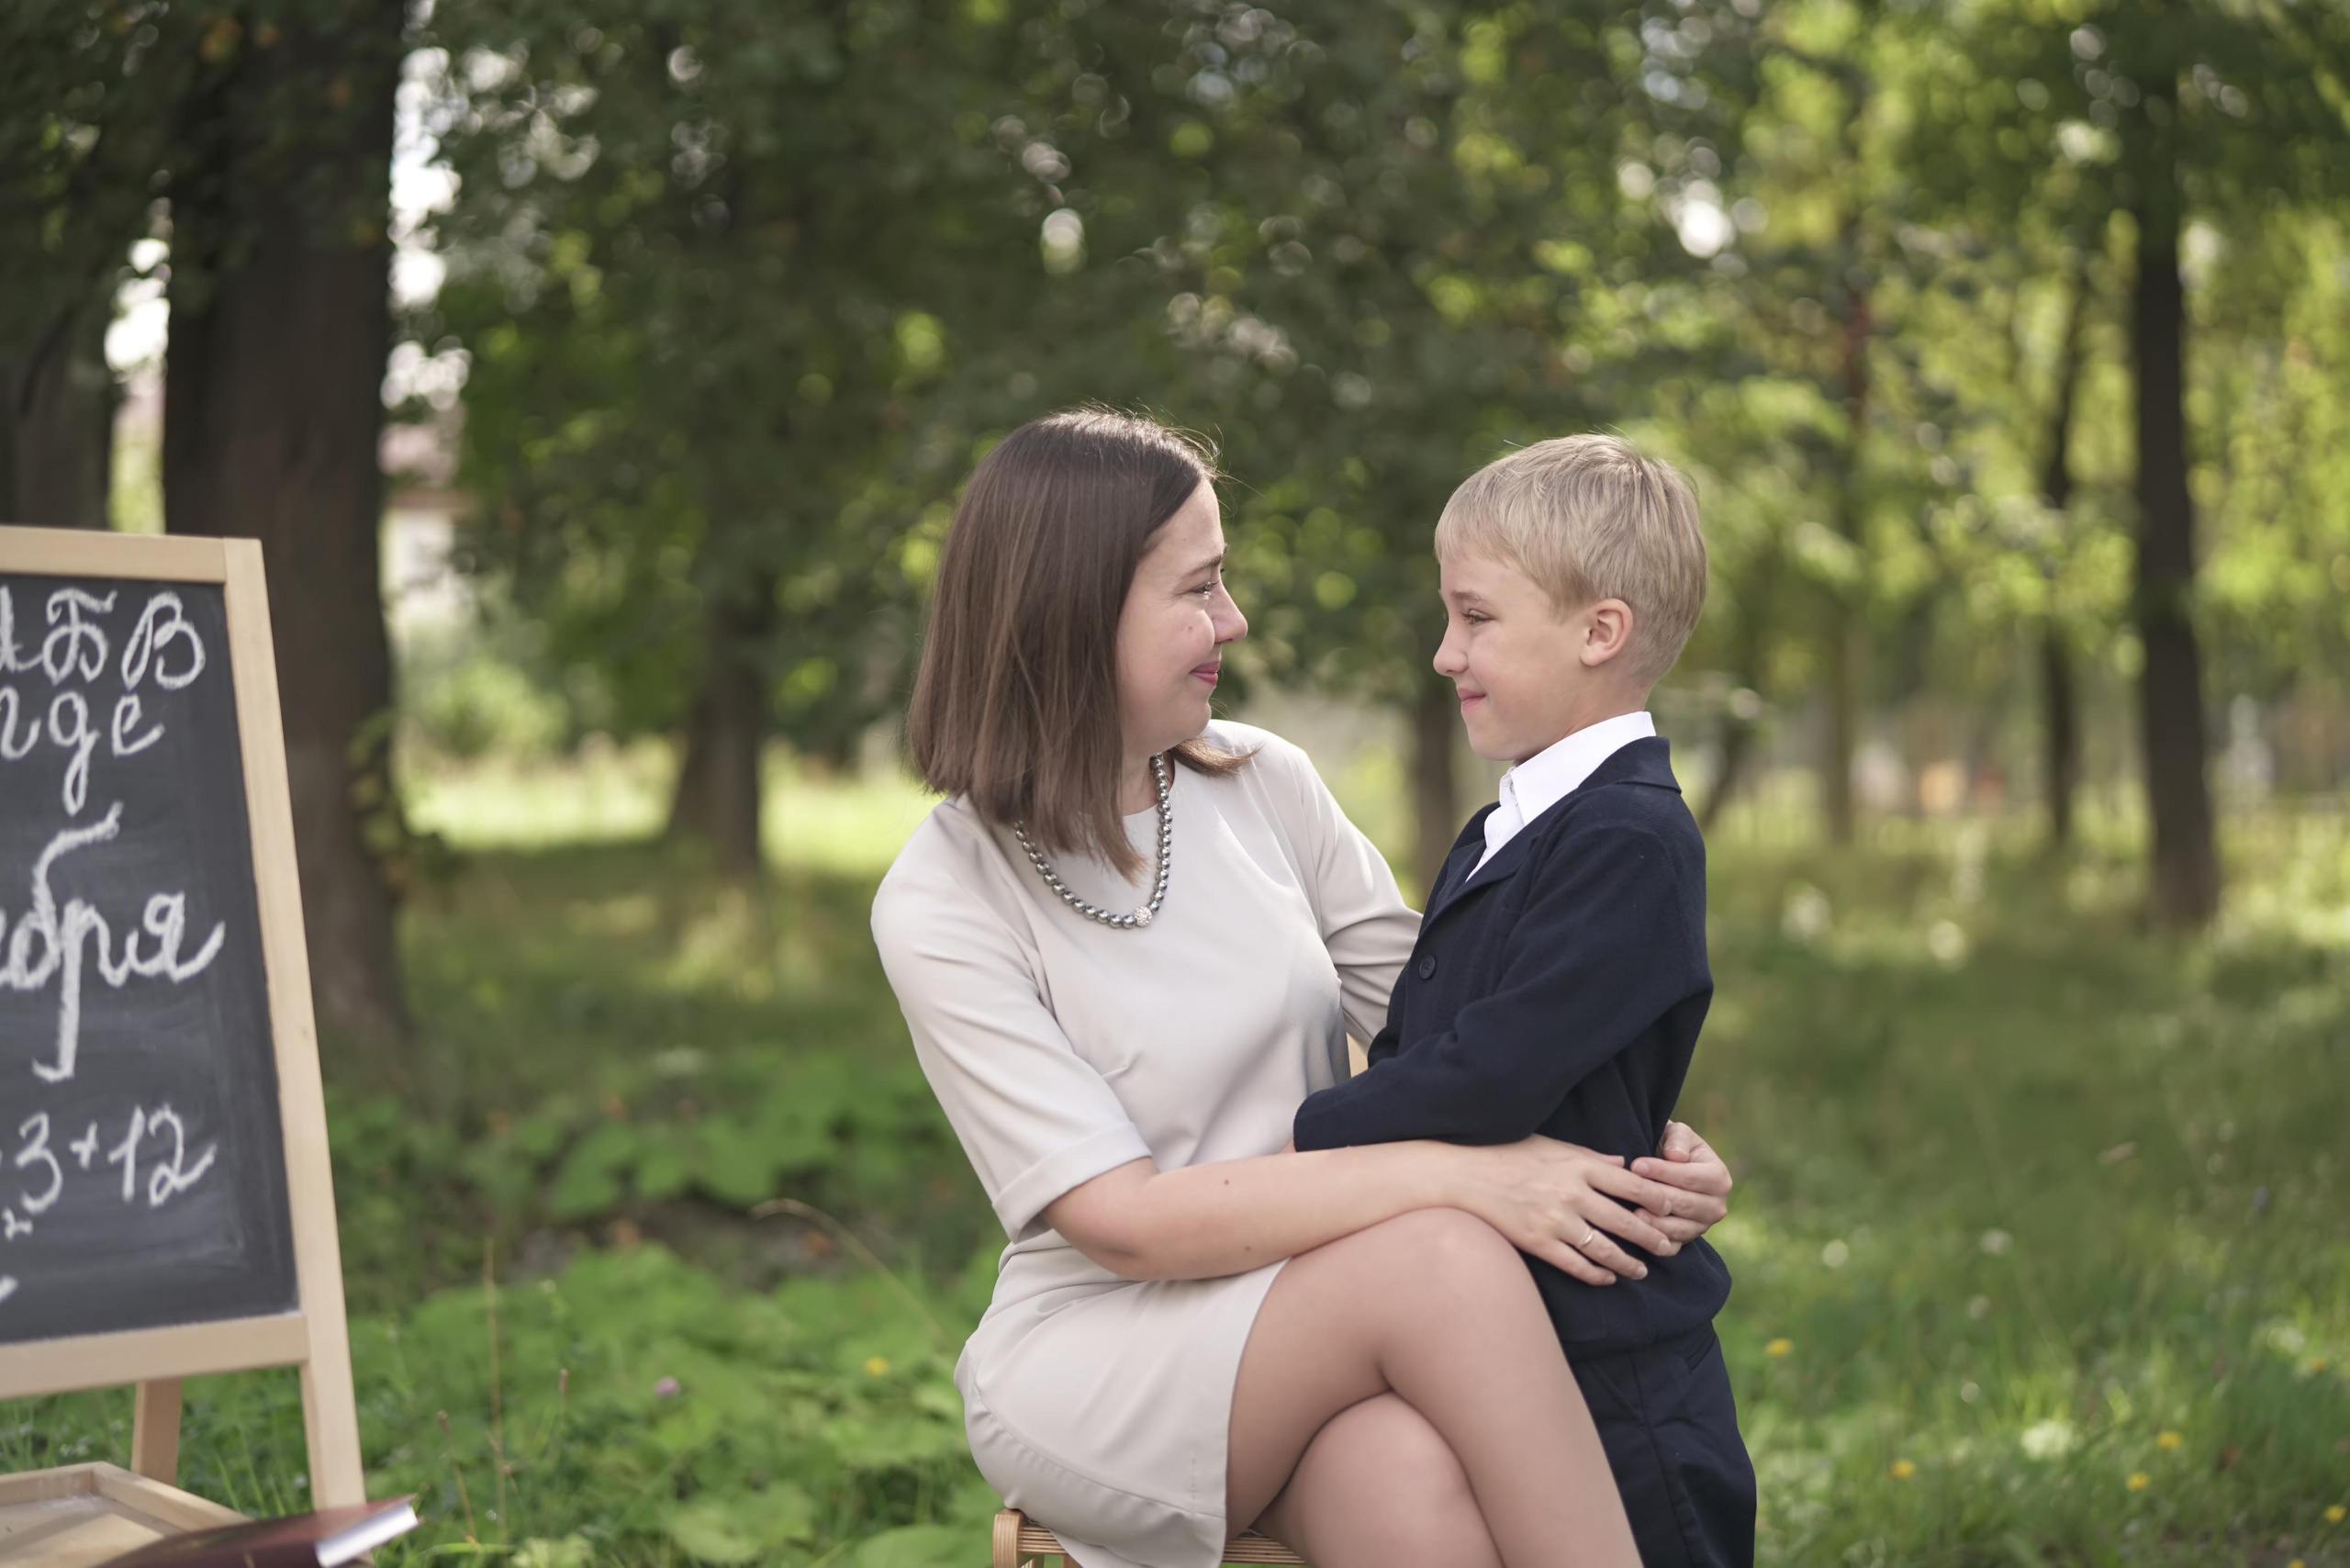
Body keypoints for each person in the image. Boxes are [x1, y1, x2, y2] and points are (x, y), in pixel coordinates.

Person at [871, 409, 1736, 1568]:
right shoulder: (943, 897)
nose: (1233, 620)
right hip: (1109, 1347)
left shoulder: (1262, 782)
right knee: (1442, 1254)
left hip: (1328, 1305)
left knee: (1413, 1493)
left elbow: (1464, 1026)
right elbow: (1120, 1224)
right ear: (1074, 609)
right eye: (1199, 588)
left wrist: (1638, 1150)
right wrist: (1461, 1179)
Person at [1292, 435, 1754, 1566]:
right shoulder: (1518, 818)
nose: (1445, 653)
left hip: (1611, 1352)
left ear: (1600, 632)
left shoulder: (1628, 837)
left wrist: (1294, 1141)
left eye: (1476, 618)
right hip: (1501, 1327)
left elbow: (1493, 1071)